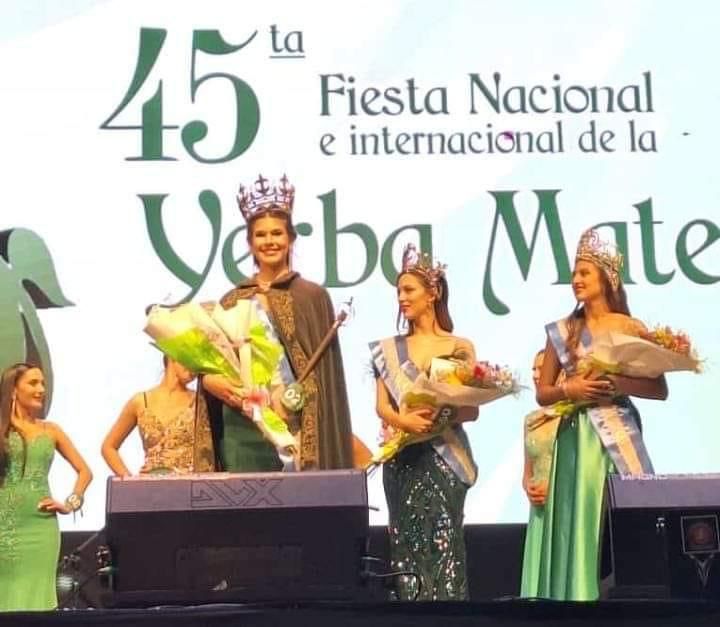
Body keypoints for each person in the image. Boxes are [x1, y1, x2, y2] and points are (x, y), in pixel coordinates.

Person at [535, 228, 668, 601]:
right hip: (576, 436)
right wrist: (569, 389)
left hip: (616, 435)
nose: (576, 280)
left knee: (612, 524)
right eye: (574, 273)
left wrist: (619, 383)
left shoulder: (631, 327)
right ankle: (574, 600)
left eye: (584, 273)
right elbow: (543, 393)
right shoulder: (564, 330)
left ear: (607, 279)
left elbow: (659, 389)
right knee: (577, 520)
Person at [203, 174, 353, 471]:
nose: (269, 241)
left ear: (291, 238)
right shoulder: (231, 300)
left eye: (277, 233)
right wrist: (215, 384)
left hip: (295, 421)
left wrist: (293, 398)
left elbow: (324, 379)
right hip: (244, 428)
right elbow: (212, 370)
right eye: (260, 235)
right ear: (249, 242)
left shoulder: (312, 297)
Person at [370, 244, 478, 601]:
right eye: (399, 291)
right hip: (403, 461)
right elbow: (381, 406)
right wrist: (404, 421)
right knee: (405, 546)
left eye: (409, 290)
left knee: (447, 548)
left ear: (433, 294)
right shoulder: (388, 349)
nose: (402, 298)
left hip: (445, 458)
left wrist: (435, 421)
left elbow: (471, 409)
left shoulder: (458, 346)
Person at [0, 363, 92, 611]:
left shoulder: (51, 430)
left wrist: (70, 504)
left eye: (43, 383)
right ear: (13, 390)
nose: (41, 389)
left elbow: (85, 472)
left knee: (37, 598)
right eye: (33, 383)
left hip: (41, 528)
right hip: (4, 526)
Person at [101, 356, 214, 476]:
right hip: (149, 489)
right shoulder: (140, 401)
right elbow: (108, 447)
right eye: (192, 358)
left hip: (186, 488)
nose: (195, 368)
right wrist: (130, 482)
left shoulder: (200, 403)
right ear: (172, 355)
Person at [519, 349, 561, 597]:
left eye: (541, 369)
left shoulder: (573, 417)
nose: (536, 375)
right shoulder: (531, 419)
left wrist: (554, 488)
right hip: (539, 512)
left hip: (563, 506)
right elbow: (527, 472)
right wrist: (529, 487)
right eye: (533, 369)